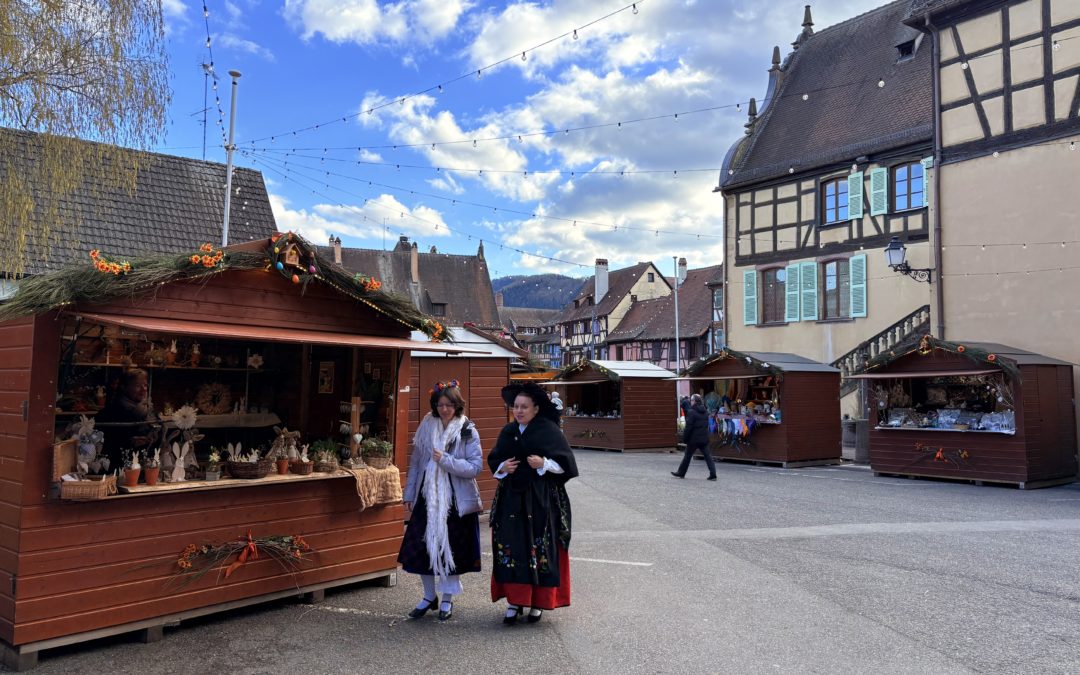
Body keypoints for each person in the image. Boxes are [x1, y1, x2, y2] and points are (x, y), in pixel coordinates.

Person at [488, 382, 578, 625]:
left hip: (541, 500)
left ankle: (539, 602)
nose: (518, 411)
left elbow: (567, 466)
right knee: (513, 547)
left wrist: (544, 463)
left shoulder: (549, 431)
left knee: (538, 548)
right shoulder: (509, 431)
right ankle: (515, 601)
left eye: (524, 407)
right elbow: (495, 459)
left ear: (536, 409)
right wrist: (502, 468)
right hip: (511, 500)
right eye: (516, 406)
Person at [398, 381, 483, 621]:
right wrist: (409, 493)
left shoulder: (467, 430)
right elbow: (416, 463)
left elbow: (475, 467)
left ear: (458, 405)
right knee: (422, 548)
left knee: (451, 550)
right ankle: (428, 596)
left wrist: (445, 460)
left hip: (455, 500)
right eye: (440, 404)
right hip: (428, 496)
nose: (444, 409)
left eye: (449, 404)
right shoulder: (427, 426)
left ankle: (446, 600)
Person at [96, 368, 157, 471]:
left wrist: (154, 436)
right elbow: (105, 442)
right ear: (124, 388)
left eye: (145, 385)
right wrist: (129, 441)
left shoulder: (148, 409)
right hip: (118, 469)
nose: (144, 389)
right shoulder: (110, 412)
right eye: (138, 386)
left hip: (143, 467)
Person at [672, 393, 717, 481]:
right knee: (708, 456)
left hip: (693, 439)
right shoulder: (705, 412)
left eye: (691, 400)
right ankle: (713, 474)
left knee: (687, 456)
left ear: (695, 402)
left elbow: (689, 427)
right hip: (704, 438)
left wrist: (685, 438)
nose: (690, 402)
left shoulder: (691, 412)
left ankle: (681, 472)